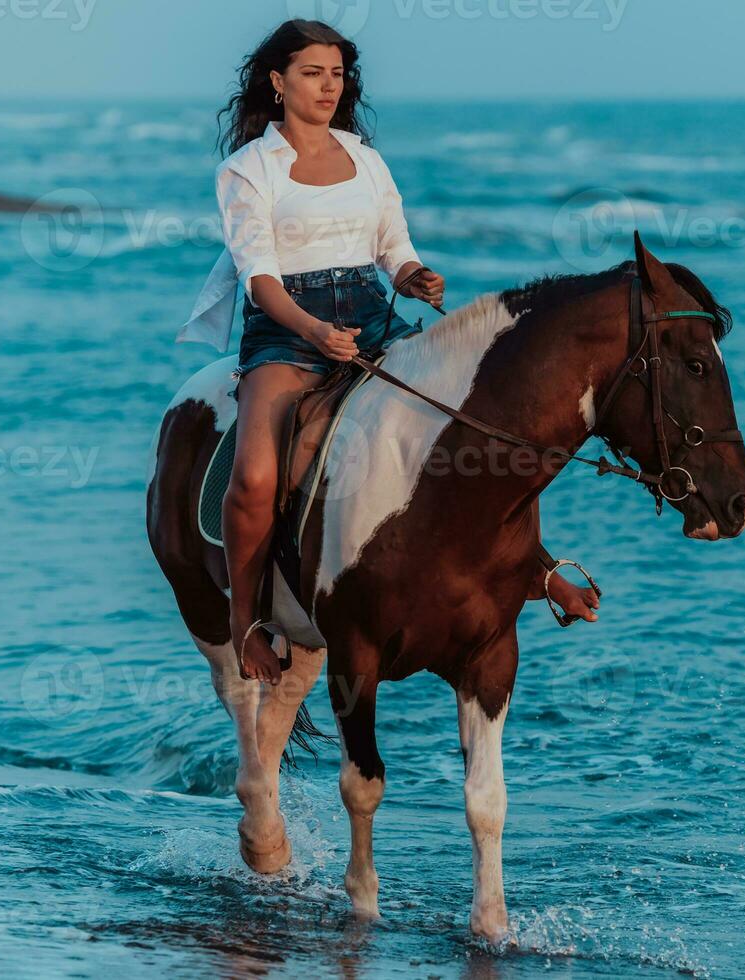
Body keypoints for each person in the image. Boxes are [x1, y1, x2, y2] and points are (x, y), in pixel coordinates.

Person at [179, 19, 598, 684]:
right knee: (256, 477)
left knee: (468, 433)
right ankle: (248, 624)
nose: (327, 86)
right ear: (278, 81)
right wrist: (314, 333)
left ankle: (539, 573)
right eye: (312, 72)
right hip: (286, 333)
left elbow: (392, 249)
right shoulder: (246, 170)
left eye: (337, 73)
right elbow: (258, 277)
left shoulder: (364, 159)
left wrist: (413, 276)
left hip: (372, 317)